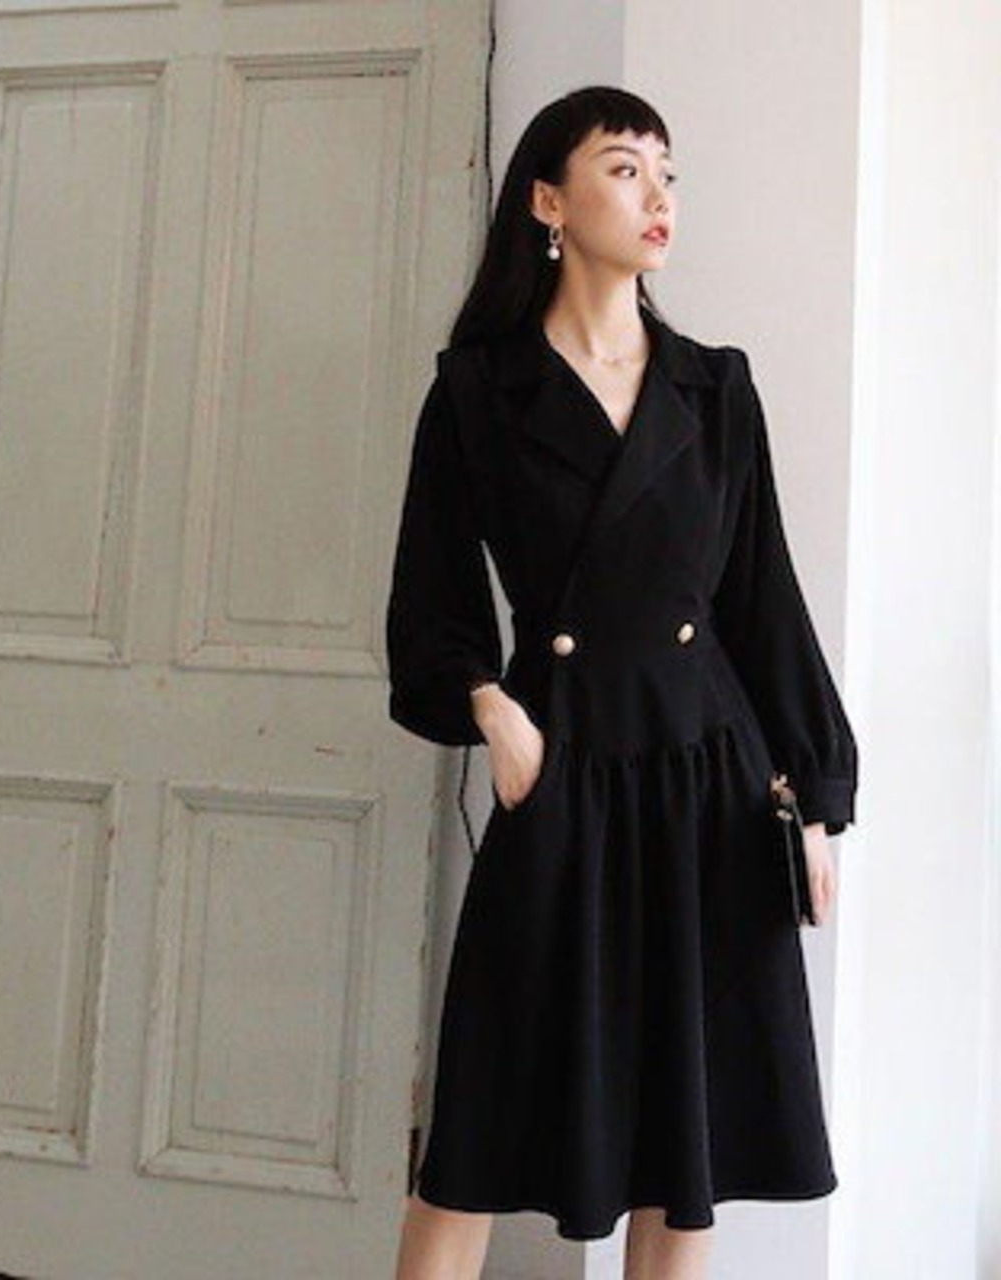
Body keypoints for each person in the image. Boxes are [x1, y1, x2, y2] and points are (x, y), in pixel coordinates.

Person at [384, 85, 859, 1280]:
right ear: (548, 202)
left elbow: (760, 602)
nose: (656, 196)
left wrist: (810, 798)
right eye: (623, 167)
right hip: (564, 775)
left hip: (710, 781)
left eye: (666, 173)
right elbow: (430, 601)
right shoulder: (478, 390)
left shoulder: (712, 388)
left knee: (683, 1143)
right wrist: (489, 707)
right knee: (477, 1126)